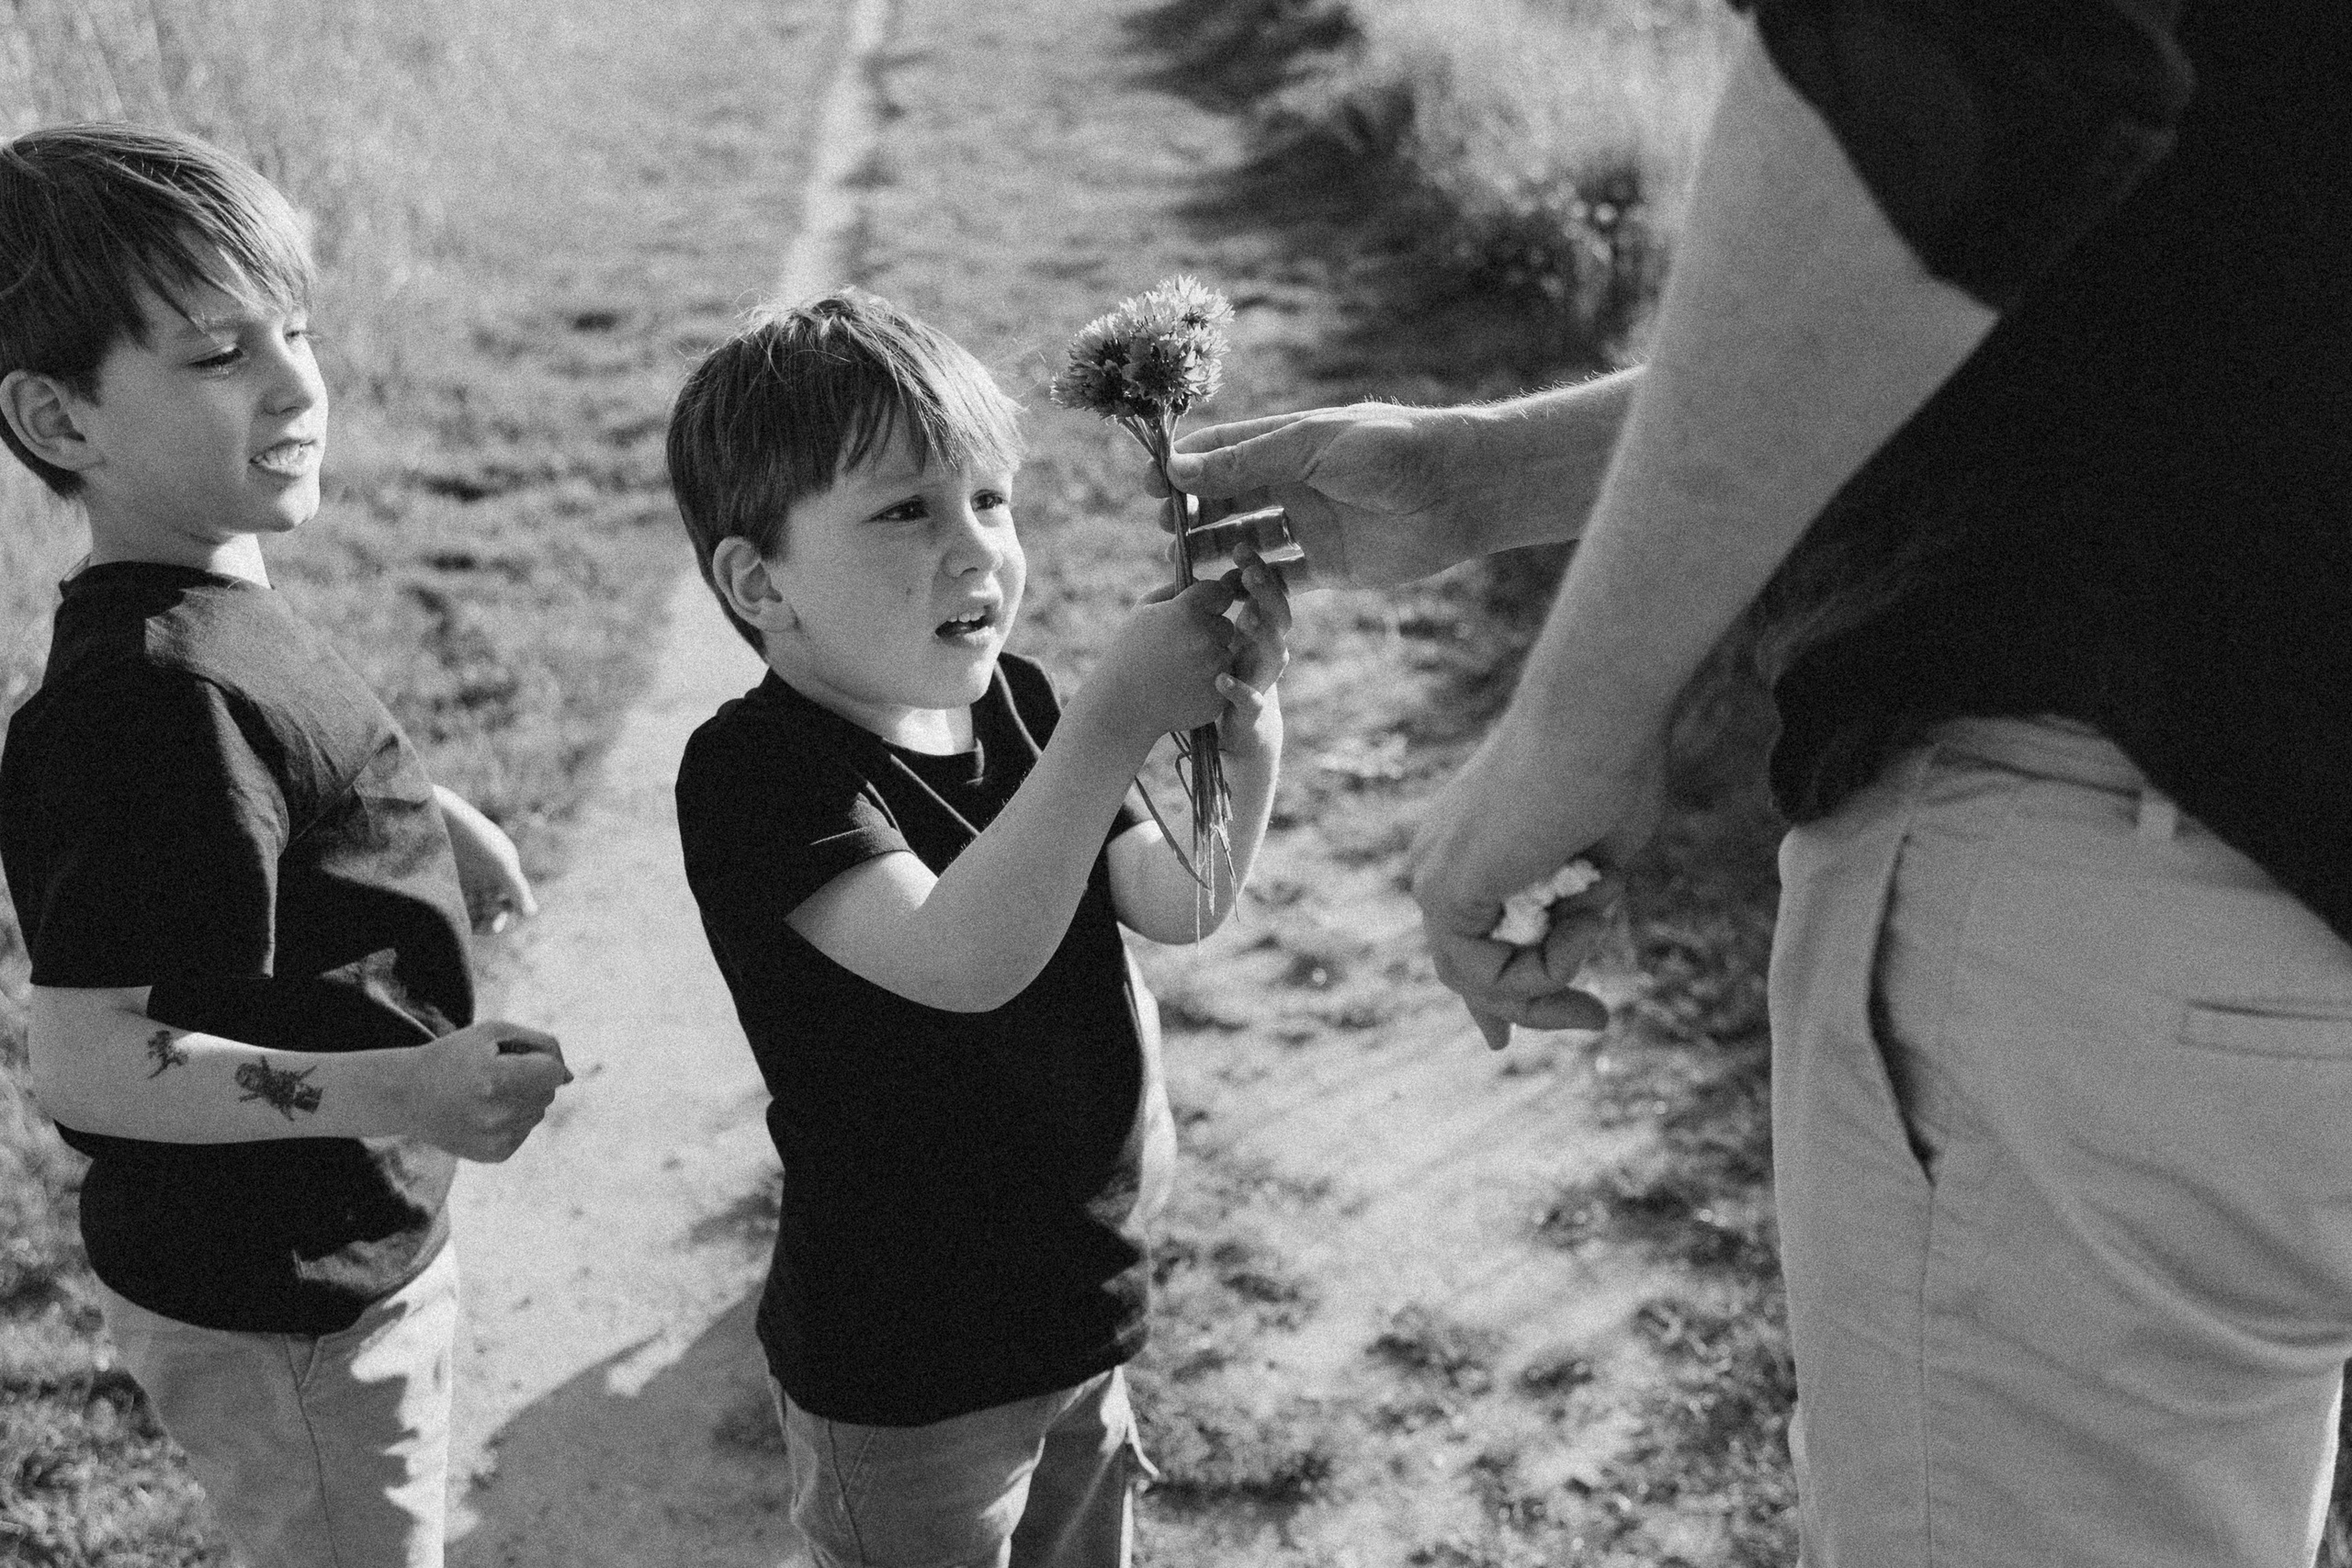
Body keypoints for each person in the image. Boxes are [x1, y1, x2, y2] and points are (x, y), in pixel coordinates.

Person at [1166, 3, 2351, 1563]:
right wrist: (1478, 480)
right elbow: (2139, 285)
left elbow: (1981, 80)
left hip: (2147, 916)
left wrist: (1579, 720)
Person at [0, 123, 573, 1568]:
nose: (297, 382)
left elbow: (279, 770)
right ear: (62, 422)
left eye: (294, 332)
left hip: (334, 1252)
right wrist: (412, 1084)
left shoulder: (211, 596)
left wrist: (422, 819)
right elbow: (90, 1059)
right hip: (278, 1306)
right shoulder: (153, 697)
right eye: (216, 356)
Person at [664, 290, 1289, 1568]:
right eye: (907, 510)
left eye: (991, 502)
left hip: (1078, 1299)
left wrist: (1248, 734)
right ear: (757, 582)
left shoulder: (1023, 703)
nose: (977, 550)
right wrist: (1118, 721)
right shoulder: (758, 773)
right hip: (904, 1360)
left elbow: (1179, 902)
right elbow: (962, 959)